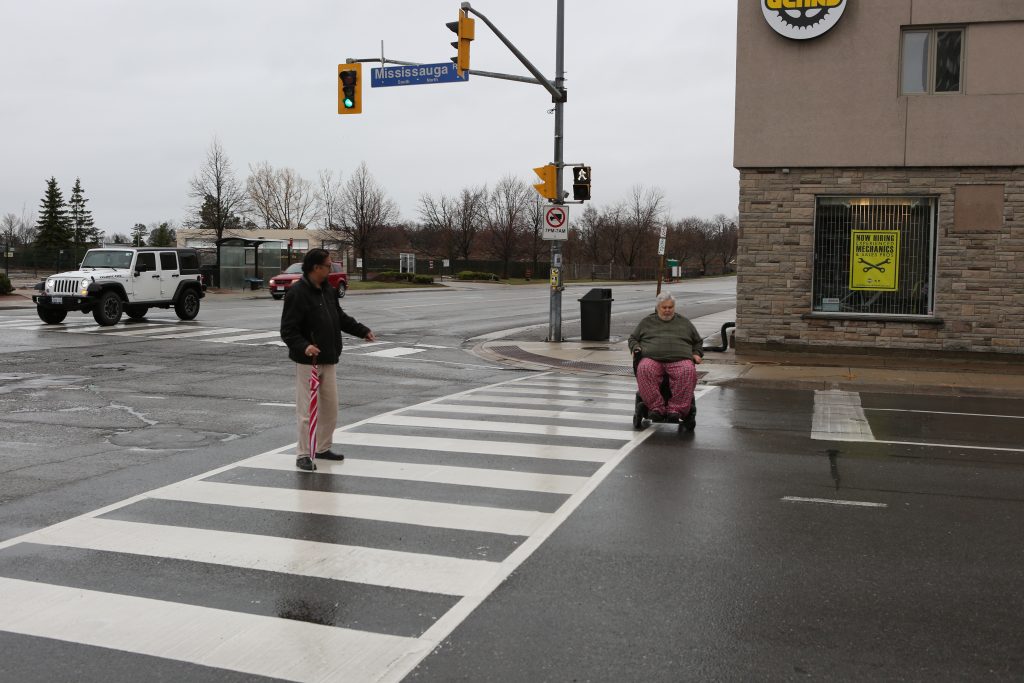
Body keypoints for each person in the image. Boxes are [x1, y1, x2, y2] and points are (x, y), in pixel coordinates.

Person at [280, 249, 375, 471]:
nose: (331, 268)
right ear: (316, 268)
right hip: (308, 362)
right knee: (306, 411)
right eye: (328, 265)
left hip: (329, 357)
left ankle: (322, 448)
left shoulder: (328, 291)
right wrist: (305, 346)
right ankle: (303, 454)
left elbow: (339, 318)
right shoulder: (297, 293)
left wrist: (362, 330)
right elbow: (288, 330)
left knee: (331, 408)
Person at [627, 291, 703, 422]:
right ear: (658, 308)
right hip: (652, 358)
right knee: (644, 369)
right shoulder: (647, 322)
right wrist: (635, 348)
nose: (667, 310)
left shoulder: (684, 323)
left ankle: (676, 410)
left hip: (679, 359)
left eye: (670, 307)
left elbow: (698, 341)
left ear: (674, 307)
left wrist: (696, 353)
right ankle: (656, 408)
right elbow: (633, 338)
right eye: (664, 307)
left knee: (687, 370)